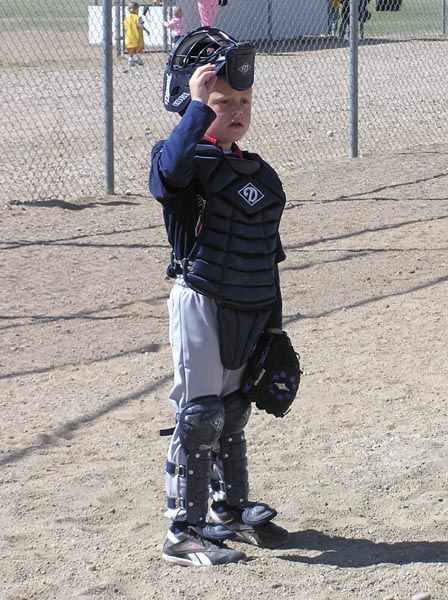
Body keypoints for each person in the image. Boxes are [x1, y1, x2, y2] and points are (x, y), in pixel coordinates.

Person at [149, 27, 290, 567]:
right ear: (193, 103)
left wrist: (273, 327)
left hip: (250, 304)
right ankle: (183, 530)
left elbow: (267, 254)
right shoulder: (182, 157)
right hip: (201, 298)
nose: (235, 110)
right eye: (221, 101)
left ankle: (230, 510)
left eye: (243, 101)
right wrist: (194, 106)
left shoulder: (264, 175)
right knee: (200, 414)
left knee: (233, 412)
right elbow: (169, 176)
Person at [124, 2, 149, 66]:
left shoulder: (127, 18)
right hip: (138, 36)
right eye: (137, 9)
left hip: (129, 35)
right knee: (140, 47)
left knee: (131, 48)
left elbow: (125, 26)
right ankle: (138, 57)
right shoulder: (138, 17)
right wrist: (146, 30)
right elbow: (140, 25)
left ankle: (130, 59)